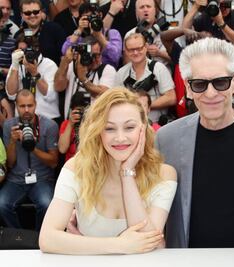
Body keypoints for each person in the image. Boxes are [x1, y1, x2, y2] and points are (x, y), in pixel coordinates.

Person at [39, 87, 177, 254]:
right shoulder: (76, 168)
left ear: (144, 128)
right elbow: (47, 239)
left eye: (129, 127)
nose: (120, 137)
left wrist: (127, 172)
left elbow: (149, 243)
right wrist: (120, 245)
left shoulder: (164, 174)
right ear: (98, 131)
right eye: (109, 128)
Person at [155, 37, 234, 248]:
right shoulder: (166, 138)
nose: (210, 93)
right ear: (188, 87)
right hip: (187, 264)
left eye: (220, 82)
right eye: (200, 84)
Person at [0, 89, 58, 231]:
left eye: (30, 105)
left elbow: (54, 162)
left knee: (47, 203)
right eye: (22, 106)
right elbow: (10, 163)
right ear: (16, 106)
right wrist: (13, 142)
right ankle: (19, 236)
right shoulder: (9, 126)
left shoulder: (49, 126)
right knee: (1, 204)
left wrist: (32, 147)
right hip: (15, 179)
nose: (26, 110)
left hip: (42, 179)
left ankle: (39, 238)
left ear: (36, 105)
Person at [114, 33, 176, 124]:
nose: (135, 53)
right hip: (131, 124)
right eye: (131, 50)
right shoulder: (121, 73)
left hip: (156, 124)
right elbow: (116, 100)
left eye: (139, 48)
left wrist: (145, 105)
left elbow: (171, 98)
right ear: (126, 51)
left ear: (146, 47)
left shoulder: (159, 68)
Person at [54, 36, 116, 119]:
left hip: (95, 126)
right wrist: (64, 62)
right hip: (71, 124)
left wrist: (83, 79)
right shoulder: (71, 66)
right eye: (90, 55)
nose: (93, 59)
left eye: (97, 55)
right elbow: (58, 87)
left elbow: (102, 94)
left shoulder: (107, 69)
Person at [6, 34, 60, 121]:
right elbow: (11, 95)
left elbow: (50, 96)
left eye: (27, 50)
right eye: (21, 50)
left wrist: (35, 73)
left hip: (47, 119)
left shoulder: (49, 64)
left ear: (37, 49)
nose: (24, 54)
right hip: (22, 118)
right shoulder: (16, 64)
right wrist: (15, 65)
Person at [60, 1, 122, 69]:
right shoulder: (79, 37)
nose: (90, 21)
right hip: (84, 72)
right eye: (86, 18)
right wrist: (79, 30)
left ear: (100, 15)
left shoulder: (112, 33)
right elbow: (65, 52)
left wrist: (99, 36)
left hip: (105, 73)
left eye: (92, 17)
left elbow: (115, 57)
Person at [16, 0, 66, 66]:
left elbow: (65, 56)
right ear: (22, 15)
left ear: (41, 12)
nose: (32, 15)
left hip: (52, 74)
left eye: (36, 12)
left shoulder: (54, 29)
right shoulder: (18, 35)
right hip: (25, 74)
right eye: (27, 13)